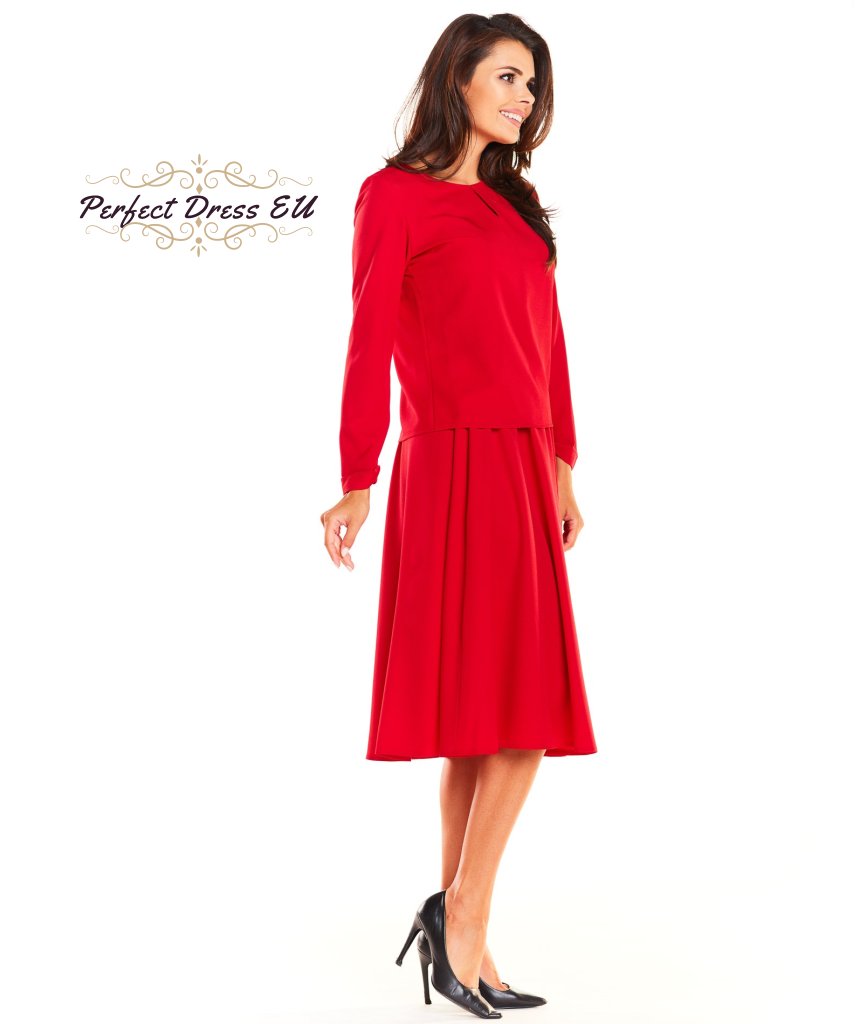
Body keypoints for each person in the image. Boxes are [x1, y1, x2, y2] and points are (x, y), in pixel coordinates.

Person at [320, 13, 597, 1019]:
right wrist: (357, 475)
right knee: (504, 711)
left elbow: (547, 341)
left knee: (497, 715)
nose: (525, 97)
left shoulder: (514, 208)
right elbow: (367, 337)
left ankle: (456, 924)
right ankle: (465, 916)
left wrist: (562, 463)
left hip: (522, 462)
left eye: (533, 83)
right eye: (508, 76)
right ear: (458, 80)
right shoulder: (393, 196)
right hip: (448, 461)